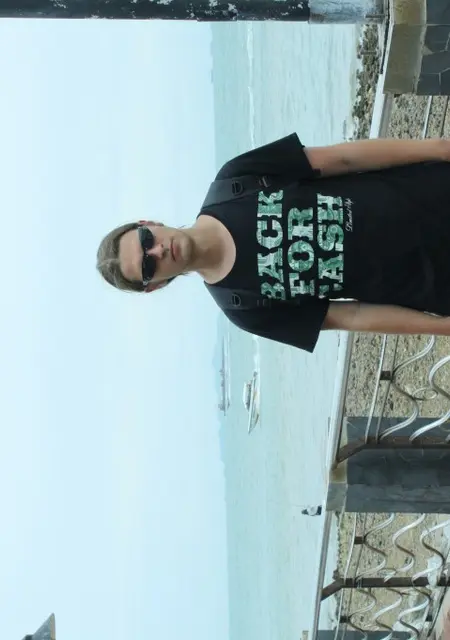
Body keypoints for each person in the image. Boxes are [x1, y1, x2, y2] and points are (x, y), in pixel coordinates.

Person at [96, 133, 450, 353]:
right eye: (148, 265)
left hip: (432, 192)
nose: (157, 251)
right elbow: (352, 315)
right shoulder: (243, 308)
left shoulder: (235, 181)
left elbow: (343, 158)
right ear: (155, 286)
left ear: (148, 224)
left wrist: (437, 148)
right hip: (434, 282)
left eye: (146, 240)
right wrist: (439, 326)